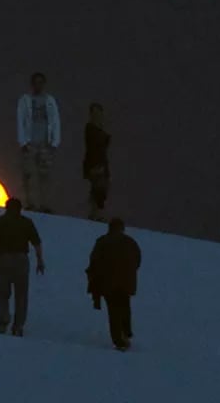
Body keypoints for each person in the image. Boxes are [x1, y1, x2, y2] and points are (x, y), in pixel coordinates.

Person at [0, 197, 46, 337]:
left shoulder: (0, 222)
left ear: (6, 207)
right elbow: (36, 243)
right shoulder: (26, 222)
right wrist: (40, 260)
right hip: (21, 260)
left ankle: (4, 318)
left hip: (4, 259)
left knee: (3, 292)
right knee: (21, 295)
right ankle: (18, 326)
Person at [85, 218, 141, 351]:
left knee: (113, 310)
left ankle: (118, 340)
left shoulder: (102, 241)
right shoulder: (131, 242)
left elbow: (94, 260)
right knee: (125, 306)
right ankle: (126, 333)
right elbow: (137, 260)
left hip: (108, 282)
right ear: (122, 228)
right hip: (127, 282)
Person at [16, 72, 61, 213]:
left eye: (41, 82)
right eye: (36, 82)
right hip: (30, 143)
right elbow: (20, 120)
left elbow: (55, 121)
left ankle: (45, 205)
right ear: (32, 84)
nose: (38, 85)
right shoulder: (25, 100)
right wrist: (23, 142)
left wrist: (54, 142)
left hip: (45, 144)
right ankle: (30, 203)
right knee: (28, 174)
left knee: (45, 176)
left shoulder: (49, 100)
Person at [83, 102, 111, 222]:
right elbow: (93, 148)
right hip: (96, 163)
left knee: (99, 189)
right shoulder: (90, 128)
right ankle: (96, 214)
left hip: (101, 163)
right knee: (99, 189)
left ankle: (95, 213)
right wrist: (96, 166)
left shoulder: (98, 128)